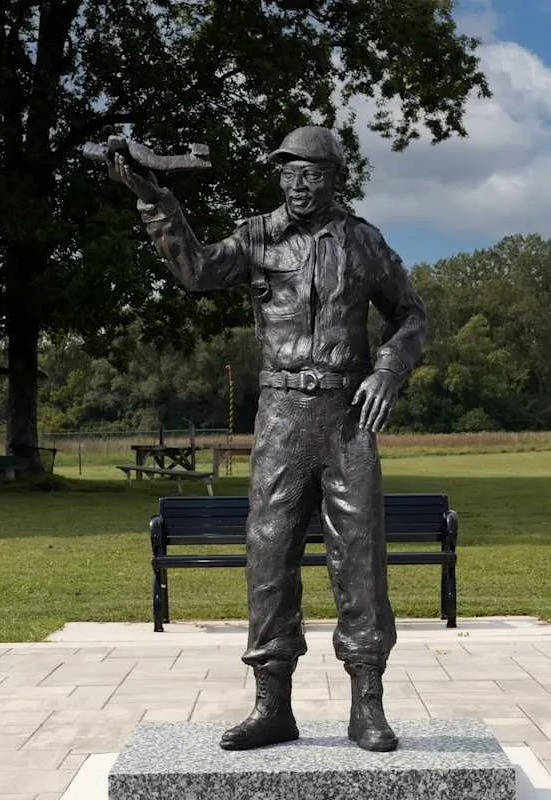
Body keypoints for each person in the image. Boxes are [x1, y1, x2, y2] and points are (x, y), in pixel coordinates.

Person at [108, 125, 426, 752]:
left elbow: (410, 313)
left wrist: (390, 368)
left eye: (311, 172)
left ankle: (368, 702)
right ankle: (271, 704)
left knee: (359, 558)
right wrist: (153, 198)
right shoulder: (257, 237)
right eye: (288, 173)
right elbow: (195, 270)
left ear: (336, 177)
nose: (298, 184)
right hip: (281, 414)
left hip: (346, 418)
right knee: (269, 556)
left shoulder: (363, 243)